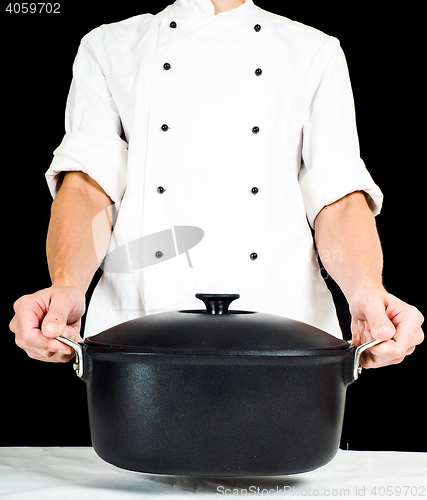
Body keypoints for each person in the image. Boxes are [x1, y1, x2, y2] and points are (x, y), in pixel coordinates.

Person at [10, 0, 424, 368]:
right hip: (137, 339)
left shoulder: (314, 50)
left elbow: (336, 195)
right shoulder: (109, 46)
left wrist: (366, 290)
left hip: (285, 339)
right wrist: (67, 285)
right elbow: (85, 185)